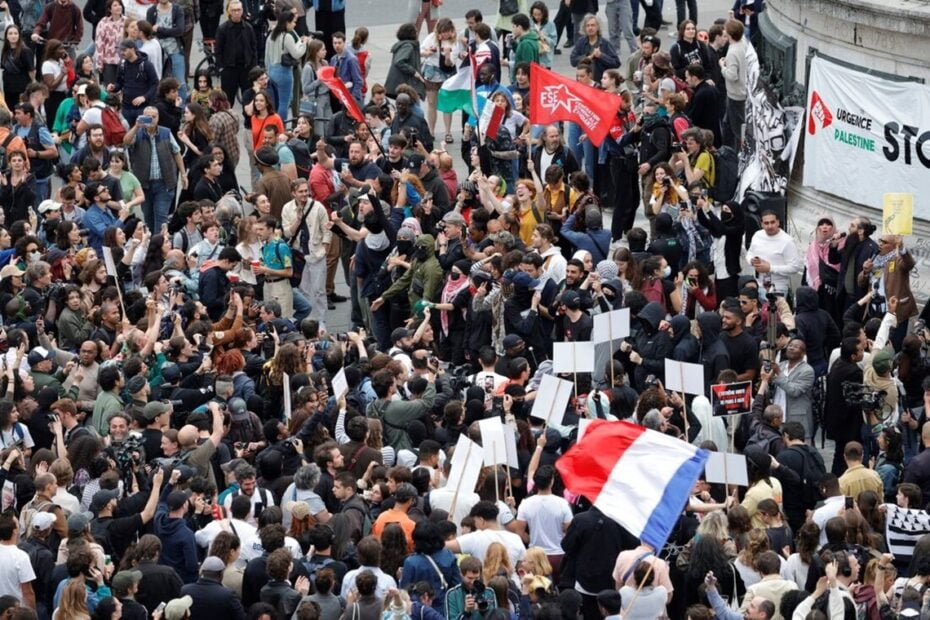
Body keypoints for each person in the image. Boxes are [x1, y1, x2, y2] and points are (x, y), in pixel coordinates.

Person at [745, 211, 802, 296]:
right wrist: (751, 261)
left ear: (778, 222)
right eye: (766, 223)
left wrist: (770, 268)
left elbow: (795, 267)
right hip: (757, 284)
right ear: (762, 224)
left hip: (777, 287)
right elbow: (749, 253)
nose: (770, 226)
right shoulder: (757, 235)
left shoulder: (787, 241)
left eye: (772, 222)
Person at [215, 2, 258, 106]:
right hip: (229, 69)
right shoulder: (222, 29)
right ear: (229, 12)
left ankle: (248, 122)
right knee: (228, 101)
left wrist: (254, 66)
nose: (237, 13)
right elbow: (218, 50)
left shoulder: (248, 28)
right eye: (234, 10)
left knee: (248, 100)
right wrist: (221, 68)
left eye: (239, 10)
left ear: (242, 11)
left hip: (246, 68)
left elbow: (253, 47)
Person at [720, 19, 748, 149]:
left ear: (730, 34)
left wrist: (722, 67)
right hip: (742, 91)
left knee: (737, 128)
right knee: (731, 123)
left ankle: (738, 152)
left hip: (735, 94)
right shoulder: (743, 44)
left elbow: (732, 75)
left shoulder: (732, 51)